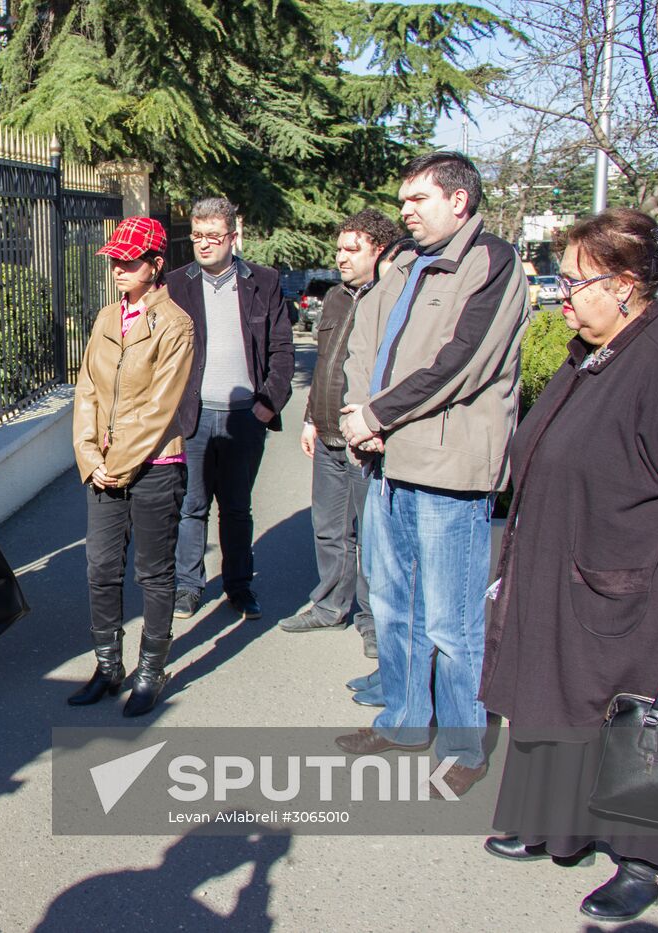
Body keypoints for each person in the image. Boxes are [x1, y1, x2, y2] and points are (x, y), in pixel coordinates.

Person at [478, 210, 658, 922]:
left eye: (576, 283)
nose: (562, 296)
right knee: (560, 694)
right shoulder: (593, 350)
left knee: (644, 720)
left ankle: (645, 859)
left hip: (641, 582)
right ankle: (559, 824)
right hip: (572, 564)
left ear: (628, 285)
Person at [335, 152, 528, 799]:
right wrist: (364, 419)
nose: (406, 210)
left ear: (459, 201)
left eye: (418, 198)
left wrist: (377, 413)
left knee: (452, 621)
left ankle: (464, 744)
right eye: (404, 199)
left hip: (450, 468)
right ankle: (405, 720)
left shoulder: (491, 262)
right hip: (393, 459)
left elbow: (461, 361)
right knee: (394, 606)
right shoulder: (415, 265)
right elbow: (377, 349)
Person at [71, 217, 194, 717]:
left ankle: (150, 671)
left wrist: (116, 463)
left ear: (156, 265)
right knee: (100, 567)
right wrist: (90, 457)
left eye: (130, 261)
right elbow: (86, 391)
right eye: (116, 260)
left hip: (155, 465)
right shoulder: (105, 318)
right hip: (103, 466)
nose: (120, 268)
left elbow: (159, 409)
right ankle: (107, 667)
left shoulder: (176, 325)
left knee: (154, 573)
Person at [278, 210, 402, 664]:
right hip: (328, 430)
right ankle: (330, 606)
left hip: (366, 440)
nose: (342, 257)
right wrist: (310, 417)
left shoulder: (394, 299)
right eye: (339, 248)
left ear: (381, 252)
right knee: (329, 528)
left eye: (354, 249)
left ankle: (372, 621)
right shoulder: (334, 297)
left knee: (371, 534)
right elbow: (325, 362)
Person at [167, 197, 294, 621]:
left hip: (245, 416)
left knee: (237, 507)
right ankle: (188, 586)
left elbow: (281, 349)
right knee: (191, 505)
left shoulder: (264, 281)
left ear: (232, 237)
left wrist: (267, 403)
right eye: (197, 236)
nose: (203, 244)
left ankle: (239, 586)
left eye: (213, 237)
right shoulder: (176, 284)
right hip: (194, 416)